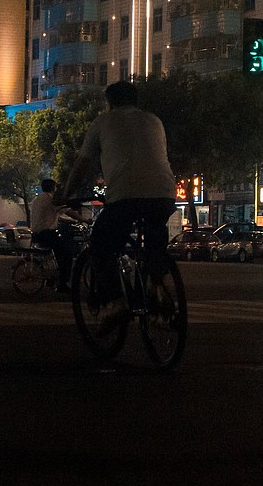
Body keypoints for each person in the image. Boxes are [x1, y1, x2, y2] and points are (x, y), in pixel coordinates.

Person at [61, 81, 176, 335]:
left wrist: (67, 193)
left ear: (109, 102)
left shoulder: (102, 123)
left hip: (124, 197)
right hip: (164, 195)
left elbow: (82, 164)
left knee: (101, 246)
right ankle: (156, 286)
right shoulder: (154, 121)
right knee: (156, 234)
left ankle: (116, 303)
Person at [28, 178, 87, 294]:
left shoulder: (37, 199)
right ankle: (62, 284)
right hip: (47, 234)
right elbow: (68, 211)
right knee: (67, 253)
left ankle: (54, 278)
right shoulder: (51, 199)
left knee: (59, 254)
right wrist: (85, 220)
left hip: (36, 234)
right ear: (53, 188)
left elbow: (49, 215)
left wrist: (67, 221)